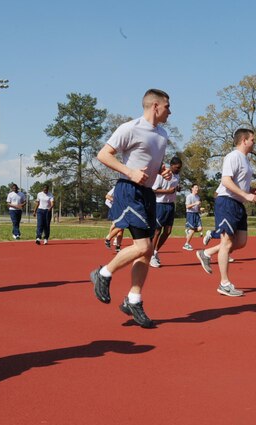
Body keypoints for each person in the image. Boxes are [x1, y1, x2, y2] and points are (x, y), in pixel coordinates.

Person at [89, 89, 172, 328]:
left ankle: (133, 299)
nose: (170, 111)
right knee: (143, 246)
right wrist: (130, 172)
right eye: (168, 106)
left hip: (147, 193)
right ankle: (103, 273)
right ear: (155, 106)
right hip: (128, 190)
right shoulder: (130, 128)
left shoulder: (162, 134)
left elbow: (150, 160)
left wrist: (162, 170)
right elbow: (104, 155)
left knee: (146, 251)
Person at [195, 128, 256, 297]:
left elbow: (237, 182)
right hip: (227, 202)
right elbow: (226, 180)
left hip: (238, 204)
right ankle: (224, 283)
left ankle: (206, 253)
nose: (254, 142)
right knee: (227, 243)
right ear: (244, 140)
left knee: (241, 242)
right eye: (252, 139)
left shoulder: (245, 160)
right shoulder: (233, 156)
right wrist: (245, 194)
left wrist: (249, 189)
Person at [149, 156, 182, 267]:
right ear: (171, 165)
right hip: (160, 205)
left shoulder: (177, 176)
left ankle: (155, 251)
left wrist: (177, 189)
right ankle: (151, 256)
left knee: (168, 231)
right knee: (157, 231)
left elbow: (174, 187)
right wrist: (167, 191)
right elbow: (153, 190)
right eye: (177, 168)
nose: (178, 170)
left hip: (170, 205)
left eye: (180, 168)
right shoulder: (162, 175)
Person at [183, 184, 203, 251]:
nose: (197, 189)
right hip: (190, 214)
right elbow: (187, 206)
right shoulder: (189, 196)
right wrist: (195, 204)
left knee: (200, 229)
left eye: (198, 187)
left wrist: (200, 209)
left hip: (196, 214)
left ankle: (188, 231)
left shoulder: (198, 197)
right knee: (192, 230)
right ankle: (186, 244)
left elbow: (198, 207)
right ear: (192, 188)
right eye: (196, 187)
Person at [104, 186, 124, 252]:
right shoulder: (116, 187)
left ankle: (118, 247)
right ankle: (108, 239)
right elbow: (107, 196)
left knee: (121, 229)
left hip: (124, 210)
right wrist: (116, 202)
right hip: (116, 210)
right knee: (119, 226)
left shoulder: (129, 188)